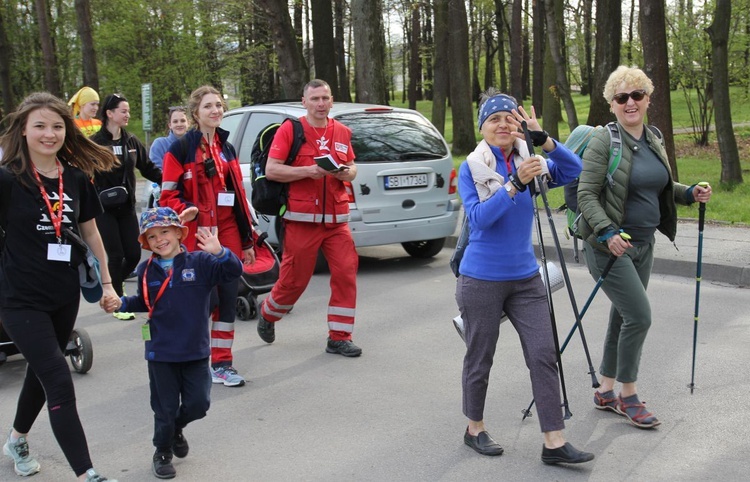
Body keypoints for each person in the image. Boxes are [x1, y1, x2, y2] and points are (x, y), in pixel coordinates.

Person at [456, 88, 594, 465]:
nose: (502, 125)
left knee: (543, 353)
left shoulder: (529, 157)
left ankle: (554, 441)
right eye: (493, 119)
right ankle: (475, 428)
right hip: (481, 278)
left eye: (509, 118)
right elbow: (480, 218)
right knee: (480, 357)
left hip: (526, 277)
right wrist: (515, 183)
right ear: (482, 127)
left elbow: (572, 170)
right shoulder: (471, 168)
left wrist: (543, 139)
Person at [577, 66, 712, 429]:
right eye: (622, 97)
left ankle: (605, 390)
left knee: (623, 315)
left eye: (637, 94)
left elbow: (659, 184)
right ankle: (628, 395)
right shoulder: (603, 141)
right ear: (612, 105)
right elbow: (585, 193)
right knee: (640, 316)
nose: (630, 102)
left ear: (648, 99)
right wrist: (607, 232)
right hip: (608, 246)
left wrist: (688, 193)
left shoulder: (653, 136)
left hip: (644, 244)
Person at [0, 92, 118, 481]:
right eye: (40, 126)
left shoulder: (77, 177)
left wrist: (106, 282)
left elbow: (91, 232)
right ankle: (87, 474)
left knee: (41, 370)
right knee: (57, 377)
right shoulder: (7, 179)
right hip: (19, 298)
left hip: (64, 294)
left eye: (56, 126)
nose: (49, 134)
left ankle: (16, 439)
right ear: (23, 130)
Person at [103, 207, 242, 479]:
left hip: (196, 351)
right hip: (161, 353)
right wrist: (120, 302)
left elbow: (233, 271)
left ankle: (176, 427)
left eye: (164, 231)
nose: (159, 240)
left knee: (199, 404)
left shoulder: (201, 262)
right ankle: (162, 450)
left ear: (179, 233)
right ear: (146, 243)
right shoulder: (146, 269)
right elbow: (144, 301)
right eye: (152, 236)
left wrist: (219, 251)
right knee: (163, 408)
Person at [256, 79, 361, 357]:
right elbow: (273, 170)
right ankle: (269, 312)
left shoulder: (342, 131)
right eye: (315, 99)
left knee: (346, 274)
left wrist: (346, 173)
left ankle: (339, 337)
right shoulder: (291, 130)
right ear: (304, 102)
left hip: (337, 221)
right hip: (302, 220)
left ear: (332, 100)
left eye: (325, 98)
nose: (321, 104)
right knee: (295, 281)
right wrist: (308, 171)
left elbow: (351, 167)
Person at [160, 85, 255, 387]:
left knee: (228, 296)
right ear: (195, 114)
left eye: (219, 105)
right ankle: (193, 360)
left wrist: (248, 239)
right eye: (208, 107)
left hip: (227, 232)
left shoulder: (227, 147)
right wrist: (185, 209)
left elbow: (238, 197)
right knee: (203, 299)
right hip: (195, 233)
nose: (215, 111)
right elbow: (167, 196)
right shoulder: (180, 149)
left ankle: (223, 364)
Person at [91, 93, 162, 321]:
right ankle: (118, 302)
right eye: (123, 111)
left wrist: (171, 183)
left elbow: (148, 168)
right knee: (115, 254)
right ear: (109, 114)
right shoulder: (95, 143)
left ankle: (111, 284)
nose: (127, 115)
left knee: (132, 254)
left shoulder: (131, 142)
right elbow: (82, 173)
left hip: (127, 207)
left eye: (128, 111)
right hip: (103, 208)